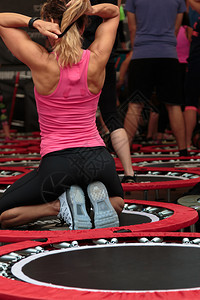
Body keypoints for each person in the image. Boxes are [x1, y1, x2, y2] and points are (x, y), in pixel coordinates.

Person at [0, 0, 124, 230]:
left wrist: (34, 22)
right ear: (84, 25)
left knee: (4, 214)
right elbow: (115, 13)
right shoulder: (97, 58)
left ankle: (59, 205)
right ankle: (90, 199)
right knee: (117, 203)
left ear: (49, 27)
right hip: (98, 159)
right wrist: (92, 9)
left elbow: (2, 21)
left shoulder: (42, 61)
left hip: (58, 164)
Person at [124, 0, 188, 157]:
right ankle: (183, 150)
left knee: (135, 104)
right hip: (168, 54)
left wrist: (138, 48)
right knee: (174, 105)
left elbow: (132, 28)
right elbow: (176, 28)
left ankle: (123, 152)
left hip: (142, 54)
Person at [83, 0, 135, 183]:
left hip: (80, 59)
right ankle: (129, 173)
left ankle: (83, 173)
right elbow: (115, 8)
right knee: (111, 114)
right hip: (103, 58)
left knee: (80, 117)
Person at [184, 0, 200, 148]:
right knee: (190, 103)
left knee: (190, 103)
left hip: (195, 63)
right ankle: (188, 142)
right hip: (194, 62)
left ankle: (187, 143)